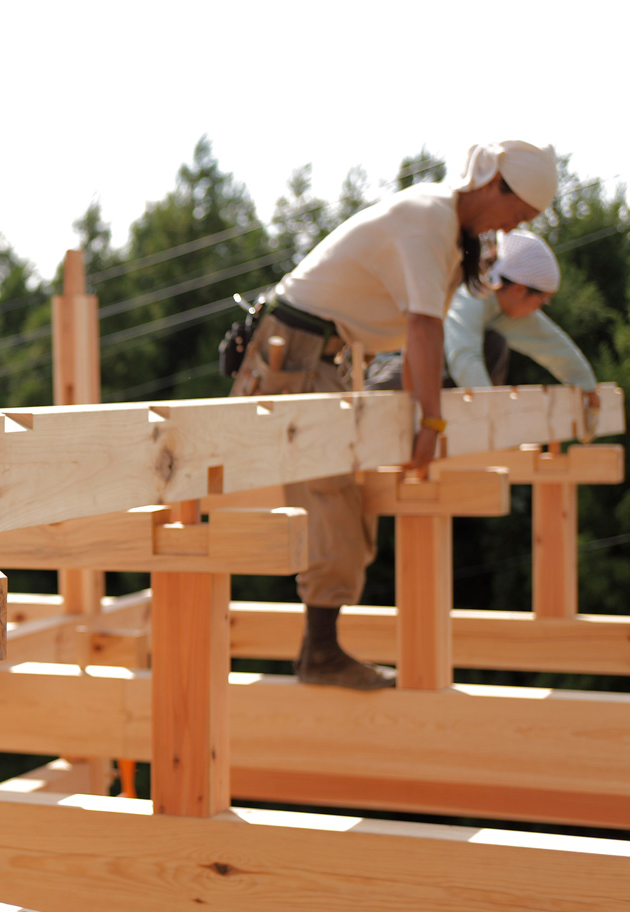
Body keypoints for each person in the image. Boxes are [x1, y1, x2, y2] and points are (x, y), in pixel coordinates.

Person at [230, 141, 557, 689]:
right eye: (517, 213)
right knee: (328, 495)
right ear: (495, 185)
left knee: (344, 496)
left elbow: (425, 337)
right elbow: (423, 331)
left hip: (321, 354)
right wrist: (430, 423)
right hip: (295, 354)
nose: (510, 228)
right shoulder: (427, 219)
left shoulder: (449, 233)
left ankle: (322, 646)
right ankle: (321, 653)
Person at [364, 230, 601, 410]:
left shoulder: (504, 306)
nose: (539, 308)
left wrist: (587, 386)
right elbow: (464, 357)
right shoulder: (471, 295)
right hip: (397, 365)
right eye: (542, 300)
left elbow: (551, 345)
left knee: (494, 343)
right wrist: (493, 414)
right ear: (519, 290)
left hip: (440, 375)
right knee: (378, 404)